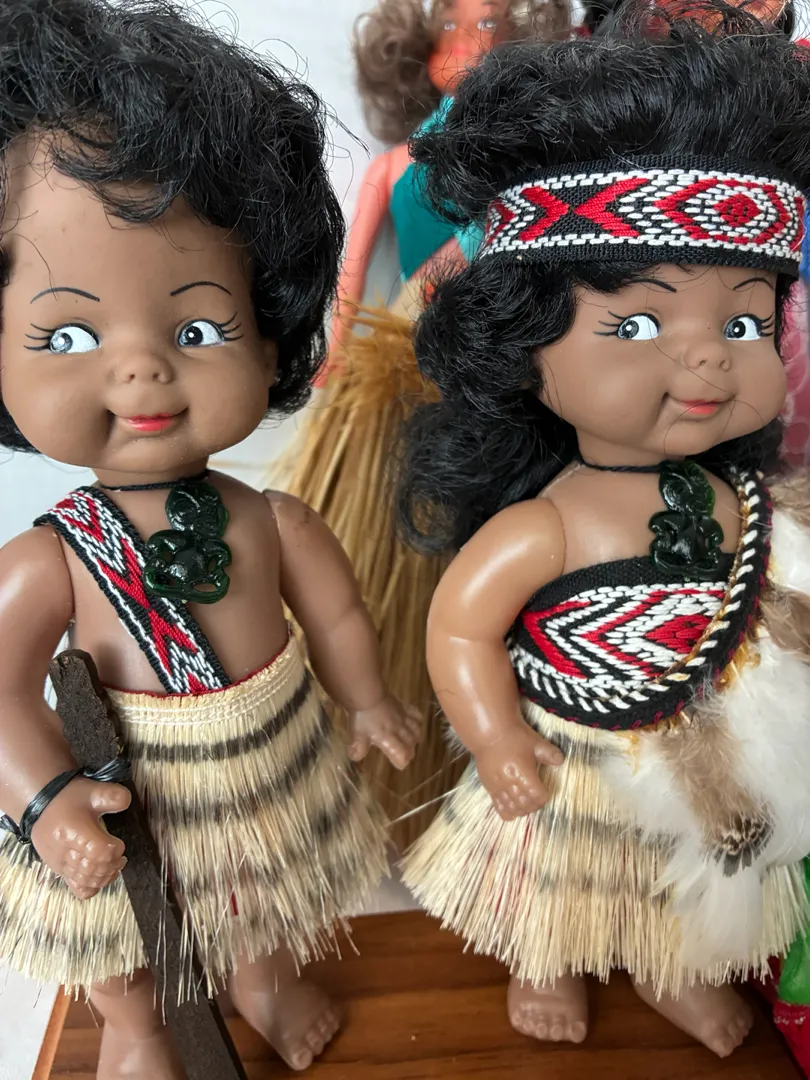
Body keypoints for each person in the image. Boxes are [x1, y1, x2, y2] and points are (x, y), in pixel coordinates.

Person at [0, 1, 419, 1076]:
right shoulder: (48, 562)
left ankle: (262, 984)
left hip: (262, 764)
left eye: (196, 328)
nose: (141, 367)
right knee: (123, 935)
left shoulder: (271, 518)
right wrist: (45, 801)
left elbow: (334, 612)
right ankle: (137, 1028)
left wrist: (368, 698)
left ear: (268, 334)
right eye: (68, 334)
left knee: (258, 896)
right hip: (123, 787)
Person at [398, 8, 810, 1057]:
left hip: (704, 743)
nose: (709, 358)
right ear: (523, 347)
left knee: (674, 870)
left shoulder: (737, 493)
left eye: (744, 322)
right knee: (558, 878)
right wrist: (496, 738)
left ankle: (672, 969)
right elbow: (459, 628)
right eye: (634, 324)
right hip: (570, 754)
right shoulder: (544, 526)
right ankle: (546, 960)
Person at [278, 0, 570, 849]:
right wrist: (334, 353)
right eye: (459, 30)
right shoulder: (396, 165)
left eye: (498, 29)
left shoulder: (528, 165)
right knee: (397, 549)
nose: (476, 45)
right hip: (407, 371)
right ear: (416, 51)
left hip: (500, 370)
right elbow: (352, 275)